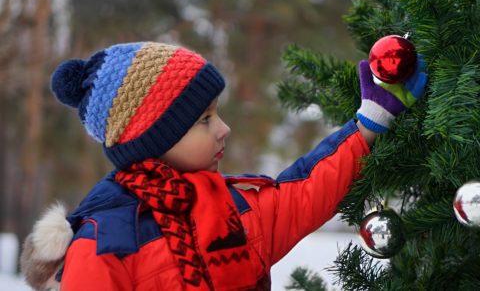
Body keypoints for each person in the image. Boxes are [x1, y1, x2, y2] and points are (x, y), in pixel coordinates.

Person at [20, 42, 427, 291]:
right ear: (154, 139)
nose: (224, 130)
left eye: (217, 114)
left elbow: (303, 193)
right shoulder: (105, 243)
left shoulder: (232, 207)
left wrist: (369, 121)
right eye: (204, 120)